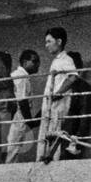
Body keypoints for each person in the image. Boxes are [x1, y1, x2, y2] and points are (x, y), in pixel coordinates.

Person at [38, 26, 79, 163]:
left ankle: (50, 164)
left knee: (53, 137)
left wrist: (58, 93)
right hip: (50, 108)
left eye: (49, 41)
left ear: (59, 41)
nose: (46, 45)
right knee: (45, 138)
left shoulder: (66, 59)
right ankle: (42, 161)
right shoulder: (56, 60)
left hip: (57, 107)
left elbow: (73, 77)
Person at [6, 49, 40, 164]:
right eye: (35, 61)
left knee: (11, 147)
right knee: (13, 147)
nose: (38, 64)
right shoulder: (21, 77)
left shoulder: (16, 75)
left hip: (11, 116)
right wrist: (30, 121)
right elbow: (22, 101)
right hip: (17, 116)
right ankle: (8, 173)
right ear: (25, 62)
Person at [62, 51, 91, 158]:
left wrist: (75, 142)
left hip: (68, 136)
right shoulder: (58, 83)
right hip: (53, 132)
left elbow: (84, 118)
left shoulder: (82, 86)